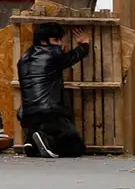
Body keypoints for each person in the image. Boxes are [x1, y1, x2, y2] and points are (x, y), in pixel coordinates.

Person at [17, 23, 90, 158]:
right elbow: (74, 56)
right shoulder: (53, 55)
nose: (60, 43)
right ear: (44, 42)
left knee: (54, 133)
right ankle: (47, 141)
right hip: (50, 114)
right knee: (76, 147)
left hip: (27, 116)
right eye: (56, 40)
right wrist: (85, 44)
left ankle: (32, 142)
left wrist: (60, 52)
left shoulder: (24, 59)